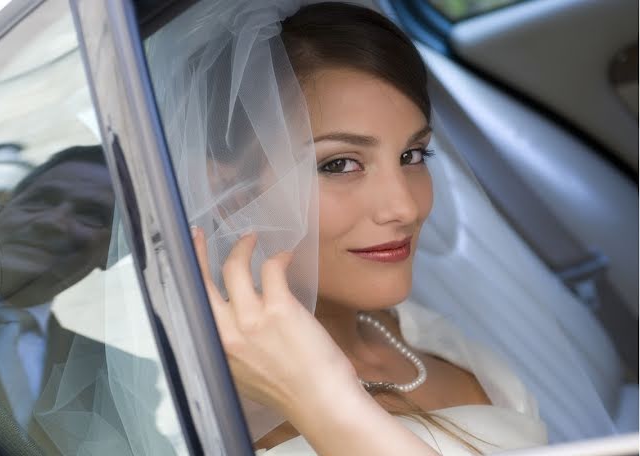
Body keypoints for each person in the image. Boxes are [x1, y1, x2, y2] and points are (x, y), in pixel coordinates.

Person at [146, 1, 614, 454]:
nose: (405, 206)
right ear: (235, 194)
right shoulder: (217, 426)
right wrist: (319, 402)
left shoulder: (434, 338)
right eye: (339, 164)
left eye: (413, 155)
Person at [0, 144, 174, 455]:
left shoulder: (117, 371)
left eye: (91, 215)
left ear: (112, 253)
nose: (53, 222)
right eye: (40, 201)